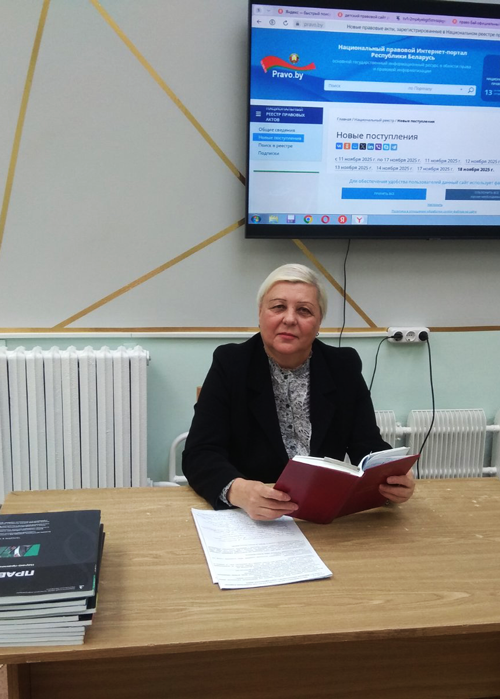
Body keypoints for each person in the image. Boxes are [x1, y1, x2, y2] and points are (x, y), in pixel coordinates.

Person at [182, 263, 415, 520]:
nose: (290, 319)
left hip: (321, 515)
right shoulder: (231, 364)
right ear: (260, 314)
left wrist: (391, 475)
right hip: (252, 518)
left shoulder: (343, 366)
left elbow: (367, 444)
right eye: (278, 307)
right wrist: (238, 491)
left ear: (319, 322)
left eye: (304, 310)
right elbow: (200, 453)